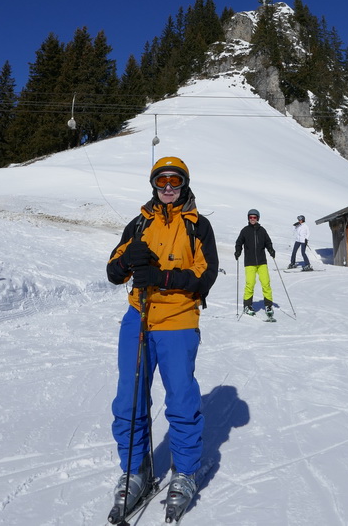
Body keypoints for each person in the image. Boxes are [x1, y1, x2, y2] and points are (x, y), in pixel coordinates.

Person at [106, 156, 219, 522]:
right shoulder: (139, 223)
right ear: (153, 185)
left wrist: (162, 277)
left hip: (179, 320)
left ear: (184, 184)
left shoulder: (197, 226)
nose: (168, 187)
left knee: (182, 399)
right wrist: (128, 260)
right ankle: (135, 470)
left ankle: (184, 472)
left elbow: (205, 276)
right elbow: (113, 271)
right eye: (161, 181)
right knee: (129, 399)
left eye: (175, 181)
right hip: (138, 317)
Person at [234, 209, 276, 320]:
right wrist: (238, 251)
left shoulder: (262, 230)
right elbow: (239, 242)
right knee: (250, 284)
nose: (252, 219)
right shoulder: (245, 230)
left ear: (258, 218)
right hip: (250, 262)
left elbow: (268, 242)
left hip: (262, 262)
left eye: (254, 217)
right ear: (248, 218)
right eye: (250, 217)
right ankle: (247, 305)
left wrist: (271, 250)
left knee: (266, 283)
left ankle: (268, 305)